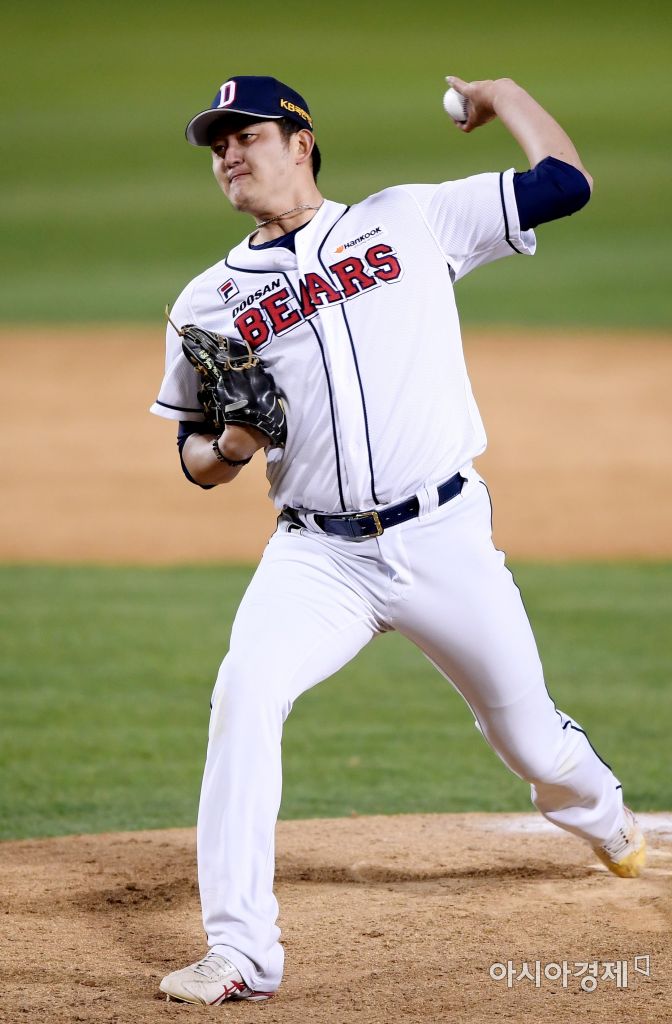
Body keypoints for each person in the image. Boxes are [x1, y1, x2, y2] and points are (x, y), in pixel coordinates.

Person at [151, 74, 646, 1005]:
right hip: (319, 558)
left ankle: (602, 812)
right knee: (244, 693)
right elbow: (194, 459)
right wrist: (233, 445)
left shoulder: (409, 220)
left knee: (533, 743)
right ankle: (240, 950)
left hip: (445, 535)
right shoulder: (206, 301)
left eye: (245, 136)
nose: (227, 155)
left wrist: (504, 95)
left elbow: (565, 183)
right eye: (216, 144)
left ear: (301, 142)